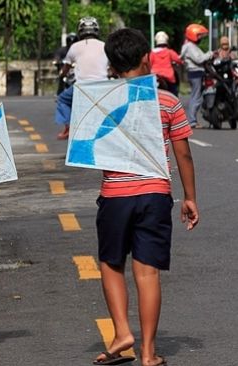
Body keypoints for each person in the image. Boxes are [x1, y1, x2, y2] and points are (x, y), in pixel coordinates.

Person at [93, 28, 199, 366]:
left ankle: (122, 332)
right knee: (147, 273)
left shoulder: (98, 101)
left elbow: (89, 147)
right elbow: (183, 154)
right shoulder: (167, 101)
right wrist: (190, 197)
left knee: (111, 265)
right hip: (155, 194)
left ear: (111, 64)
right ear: (146, 59)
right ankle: (149, 353)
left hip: (115, 194)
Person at [54, 17, 109, 140]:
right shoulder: (105, 46)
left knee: (62, 99)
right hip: (105, 87)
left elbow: (66, 68)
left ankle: (68, 127)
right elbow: (112, 66)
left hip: (82, 88)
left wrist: (61, 75)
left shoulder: (74, 47)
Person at [180, 23, 213, 128]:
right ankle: (192, 121)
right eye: (199, 35)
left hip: (195, 73)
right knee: (196, 97)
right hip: (196, 73)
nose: (200, 38)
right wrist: (210, 54)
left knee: (196, 96)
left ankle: (192, 120)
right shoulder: (190, 46)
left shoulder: (189, 46)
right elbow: (199, 59)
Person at [150, 31, 183, 95]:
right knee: (173, 91)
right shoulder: (169, 52)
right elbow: (178, 60)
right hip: (168, 76)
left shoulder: (152, 53)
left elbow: (149, 63)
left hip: (155, 76)